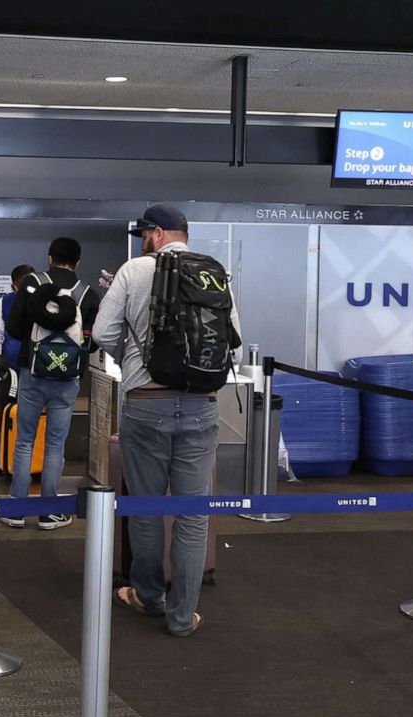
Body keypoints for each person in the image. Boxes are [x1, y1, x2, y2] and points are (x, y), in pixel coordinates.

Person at [92, 204, 242, 638]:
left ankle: (148, 596)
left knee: (147, 508)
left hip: (146, 402)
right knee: (193, 515)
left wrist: (133, 362)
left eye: (145, 233)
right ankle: (182, 617)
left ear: (158, 233)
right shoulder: (214, 271)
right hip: (202, 403)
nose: (142, 240)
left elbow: (102, 333)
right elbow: (235, 335)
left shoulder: (133, 270)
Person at [0, 238, 98, 531]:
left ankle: (17, 510)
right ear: (77, 263)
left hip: (33, 373)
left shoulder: (32, 283)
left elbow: (14, 328)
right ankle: (48, 512)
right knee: (55, 443)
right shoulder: (87, 294)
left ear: (49, 258)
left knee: (25, 440)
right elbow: (92, 341)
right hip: (67, 379)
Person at [0, 264, 35, 402]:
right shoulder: (5, 302)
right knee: (7, 414)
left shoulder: (43, 301)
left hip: (36, 372)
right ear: (14, 285)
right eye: (22, 284)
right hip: (11, 371)